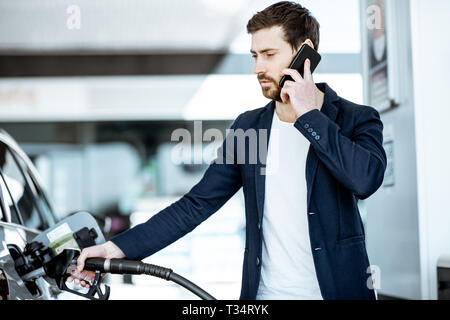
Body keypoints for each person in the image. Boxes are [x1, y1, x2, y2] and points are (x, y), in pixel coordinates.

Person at [70, 1, 386, 300]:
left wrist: (309, 117)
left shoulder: (356, 119)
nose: (257, 67)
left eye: (269, 54)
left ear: (305, 53)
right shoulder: (249, 128)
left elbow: (365, 180)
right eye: (253, 55)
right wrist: (116, 249)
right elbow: (194, 206)